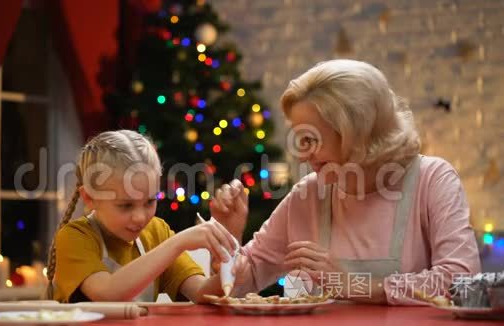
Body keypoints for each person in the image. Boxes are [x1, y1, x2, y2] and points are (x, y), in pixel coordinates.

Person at [212, 59, 481, 305]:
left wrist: (357, 286)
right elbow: (232, 287)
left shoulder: (432, 179)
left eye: (310, 140)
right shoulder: (307, 194)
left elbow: (460, 282)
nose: (301, 155)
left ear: (357, 133)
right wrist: (229, 238)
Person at [47, 130, 237, 303]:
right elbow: (107, 293)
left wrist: (230, 270)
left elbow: (201, 292)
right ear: (89, 198)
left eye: (150, 202)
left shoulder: (156, 232)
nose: (140, 217)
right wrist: (178, 242)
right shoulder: (73, 237)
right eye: (125, 205)